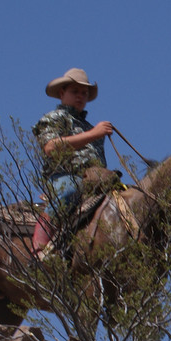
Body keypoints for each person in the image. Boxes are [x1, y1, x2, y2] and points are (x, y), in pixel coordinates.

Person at [30, 68, 115, 256]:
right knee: (70, 189)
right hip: (65, 177)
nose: (80, 96)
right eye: (75, 92)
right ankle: (39, 248)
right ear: (62, 93)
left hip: (93, 180)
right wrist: (93, 135)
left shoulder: (90, 127)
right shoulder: (55, 118)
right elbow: (51, 148)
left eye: (84, 93)